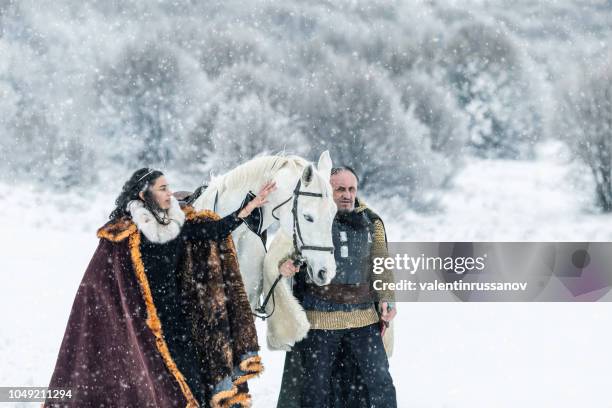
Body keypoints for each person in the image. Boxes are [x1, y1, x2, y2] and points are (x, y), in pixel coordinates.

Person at [44, 168, 275, 408]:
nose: (170, 193)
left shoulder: (173, 225)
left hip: (177, 324)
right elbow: (98, 285)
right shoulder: (123, 234)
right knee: (163, 391)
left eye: (168, 187)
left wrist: (248, 208)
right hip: (142, 329)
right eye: (162, 188)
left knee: (192, 386)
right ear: (145, 195)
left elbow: (212, 232)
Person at [277, 166, 397, 408]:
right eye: (340, 189)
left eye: (351, 189)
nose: (347, 195)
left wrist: (387, 298)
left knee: (380, 383)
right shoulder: (309, 217)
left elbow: (381, 263)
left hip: (363, 320)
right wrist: (285, 267)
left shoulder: (371, 221)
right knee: (315, 389)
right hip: (319, 321)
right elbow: (282, 257)